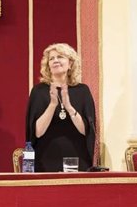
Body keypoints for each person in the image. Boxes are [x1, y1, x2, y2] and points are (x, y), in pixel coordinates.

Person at [26, 43, 96, 172]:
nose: (55, 60)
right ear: (48, 66)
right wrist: (52, 105)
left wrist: (69, 107)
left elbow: (86, 131)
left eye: (60, 57)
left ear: (70, 64)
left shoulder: (82, 90)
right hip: (45, 159)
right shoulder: (39, 91)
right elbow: (37, 132)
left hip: (77, 158)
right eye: (51, 59)